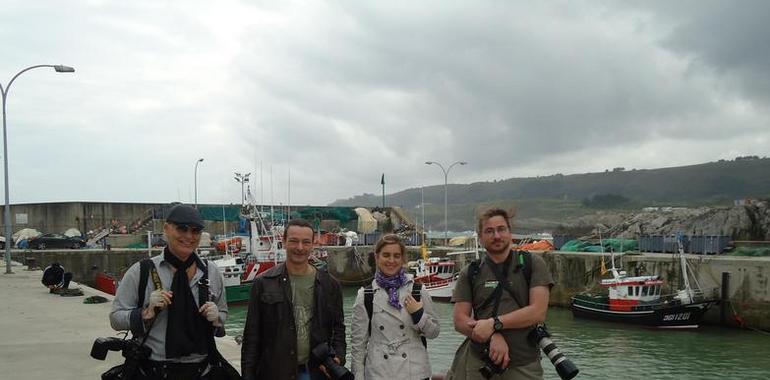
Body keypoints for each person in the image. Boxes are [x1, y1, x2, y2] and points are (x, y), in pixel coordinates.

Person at [110, 204, 228, 380]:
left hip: (202, 369)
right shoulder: (141, 272)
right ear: (166, 229)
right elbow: (115, 318)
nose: (188, 236)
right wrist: (146, 313)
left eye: (195, 231)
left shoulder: (212, 272)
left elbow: (223, 312)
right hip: (155, 369)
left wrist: (217, 318)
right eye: (182, 228)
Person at [446, 208, 554, 380]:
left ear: (510, 233)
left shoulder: (532, 264)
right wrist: (492, 335)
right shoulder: (471, 272)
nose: (496, 236)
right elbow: (460, 321)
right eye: (489, 231)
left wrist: (494, 324)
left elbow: (538, 312)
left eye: (501, 229)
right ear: (480, 238)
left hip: (523, 365)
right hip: (480, 363)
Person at [241, 218, 346, 380]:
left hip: (315, 371)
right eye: (294, 241)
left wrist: (338, 356)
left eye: (305, 242)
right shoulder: (262, 283)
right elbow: (251, 337)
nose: (300, 248)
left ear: (312, 244)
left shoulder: (330, 285)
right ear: (283, 242)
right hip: (275, 372)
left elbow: (338, 329)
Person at [350, 234, 440, 380]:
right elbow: (358, 346)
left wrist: (418, 314)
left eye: (396, 256)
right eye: (386, 255)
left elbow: (434, 333)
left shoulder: (417, 291)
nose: (391, 260)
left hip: (415, 372)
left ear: (403, 258)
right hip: (379, 373)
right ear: (377, 257)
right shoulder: (366, 296)